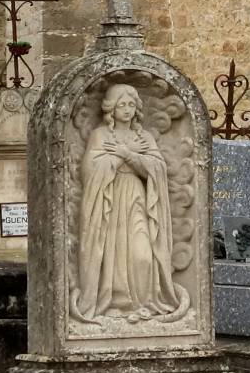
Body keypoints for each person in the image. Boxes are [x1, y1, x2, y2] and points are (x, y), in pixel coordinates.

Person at [74, 80, 183, 321]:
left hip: (137, 198)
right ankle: (117, 304)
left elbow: (156, 169)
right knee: (114, 253)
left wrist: (128, 155)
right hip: (109, 201)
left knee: (142, 254)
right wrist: (120, 159)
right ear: (110, 108)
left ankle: (145, 302)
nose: (126, 109)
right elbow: (90, 170)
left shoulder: (143, 137)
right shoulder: (100, 135)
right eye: (121, 104)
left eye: (131, 104)